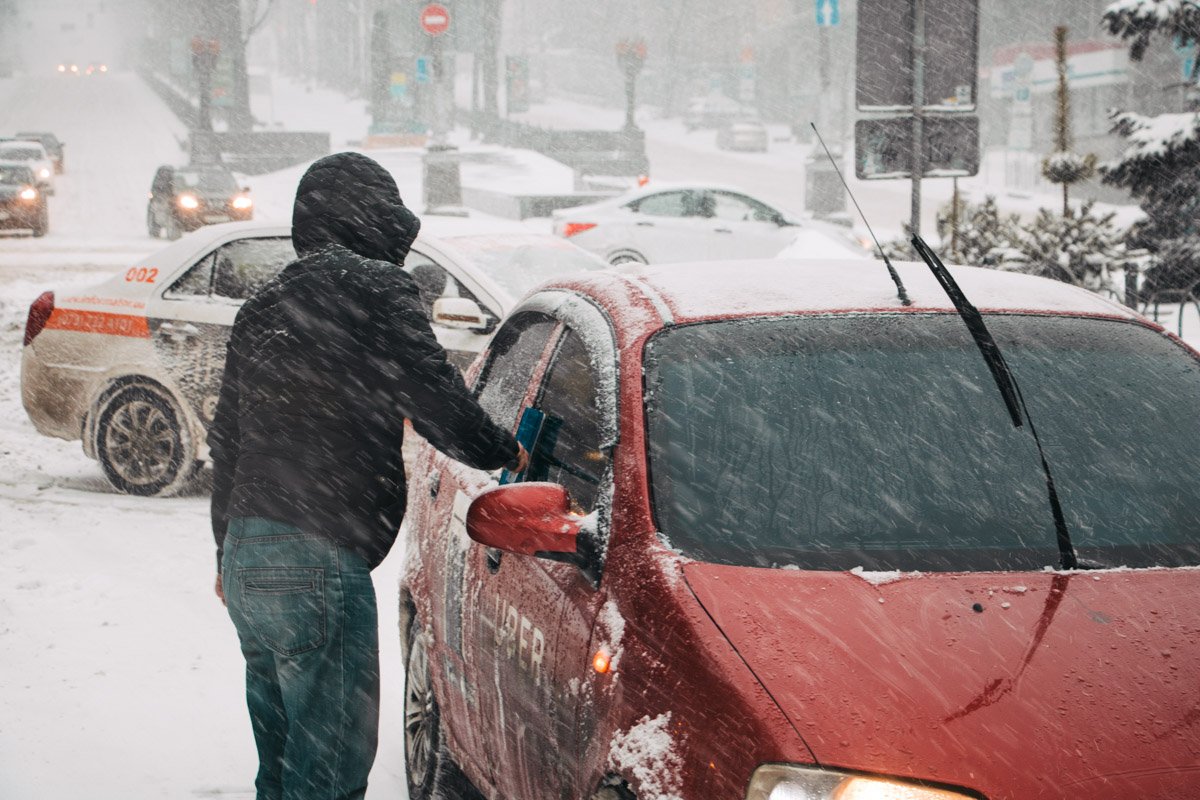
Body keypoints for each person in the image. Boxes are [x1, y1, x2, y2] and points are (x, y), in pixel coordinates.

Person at [208, 152, 528, 800]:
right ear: (371, 223)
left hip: (247, 557)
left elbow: (228, 442)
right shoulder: (376, 290)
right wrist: (508, 452)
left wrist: (226, 550)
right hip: (318, 558)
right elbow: (434, 396)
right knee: (327, 778)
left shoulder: (261, 306)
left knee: (281, 770)